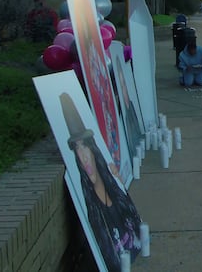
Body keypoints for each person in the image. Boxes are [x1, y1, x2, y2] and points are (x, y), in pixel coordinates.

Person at [60, 93, 142, 270]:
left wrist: (120, 183)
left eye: (85, 146)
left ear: (94, 150)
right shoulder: (91, 209)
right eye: (77, 149)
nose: (83, 156)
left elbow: (138, 227)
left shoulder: (115, 189)